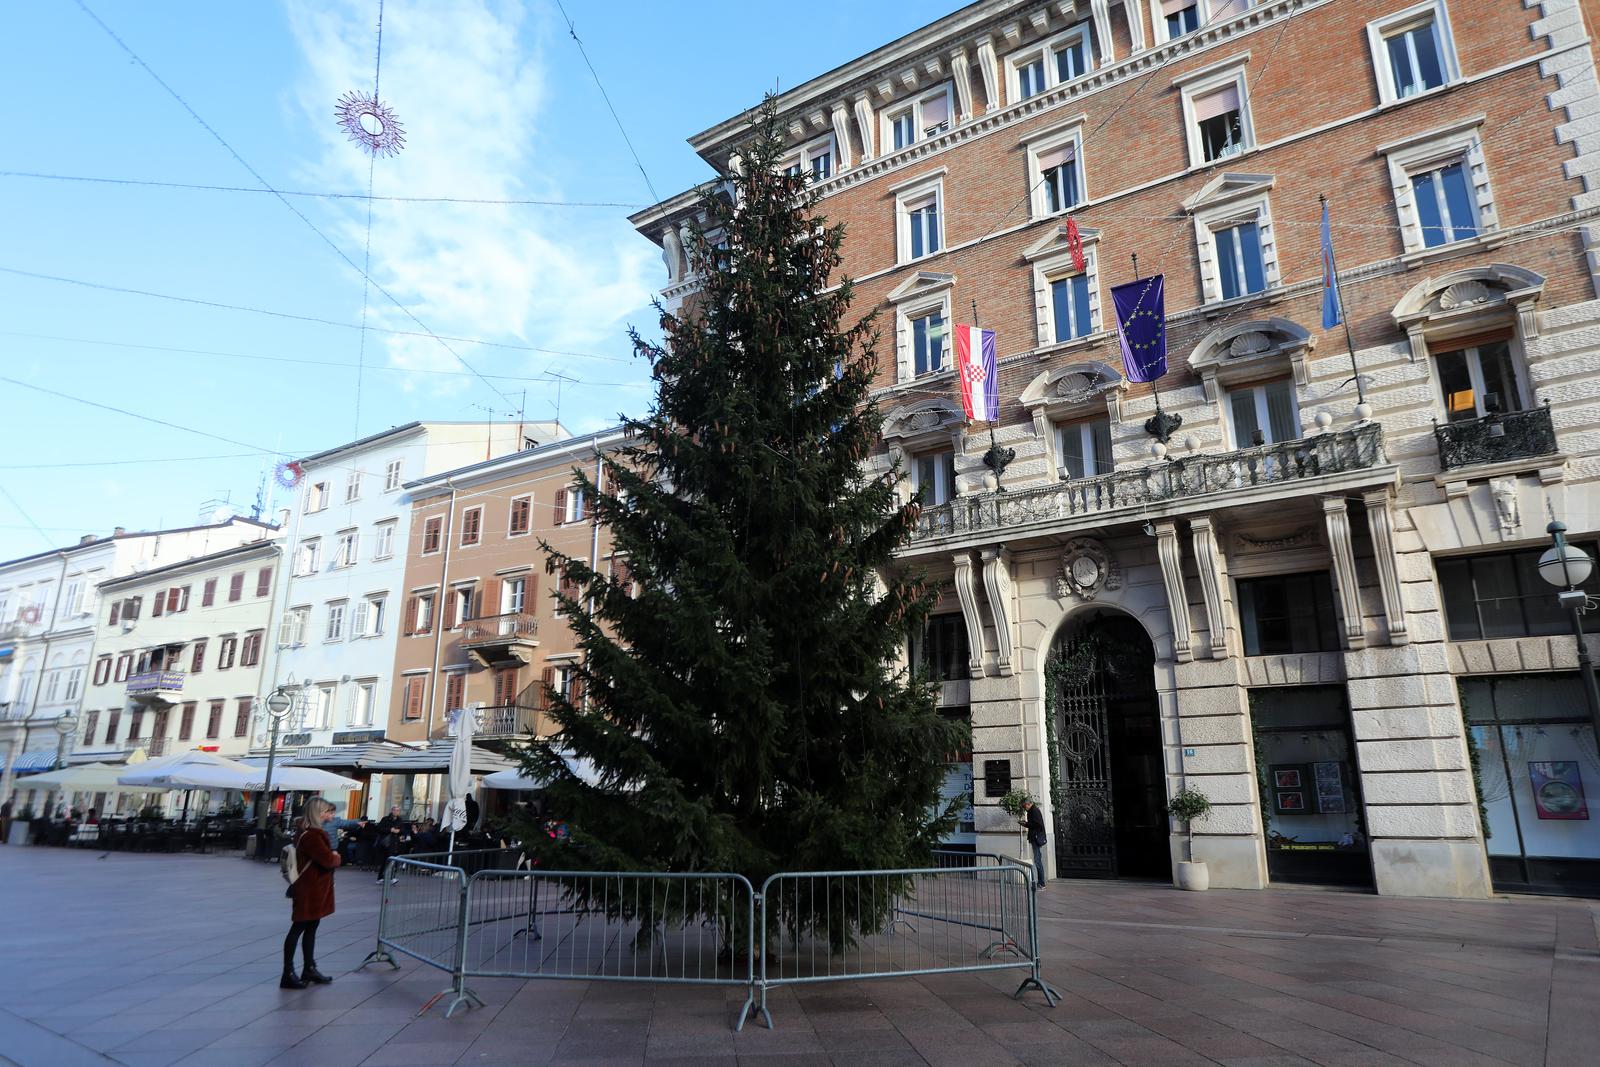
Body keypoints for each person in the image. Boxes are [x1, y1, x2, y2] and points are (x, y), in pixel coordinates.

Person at [283, 797, 341, 990]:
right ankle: (288, 973)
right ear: (319, 813)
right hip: (310, 888)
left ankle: (309, 967)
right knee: (299, 928)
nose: (331, 815)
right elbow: (327, 860)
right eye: (328, 811)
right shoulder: (313, 835)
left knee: (310, 927)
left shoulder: (304, 832)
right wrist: (335, 857)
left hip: (312, 888)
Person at [1021, 799, 1048, 890]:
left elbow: (1038, 825)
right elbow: (1034, 824)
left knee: (1037, 861)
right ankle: (1041, 883)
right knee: (1038, 860)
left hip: (1036, 838)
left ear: (1028, 804)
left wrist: (1027, 823)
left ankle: (1041, 883)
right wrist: (1025, 824)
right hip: (1035, 838)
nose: (1025, 809)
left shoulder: (1034, 810)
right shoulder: (1032, 810)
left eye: (1025, 806)